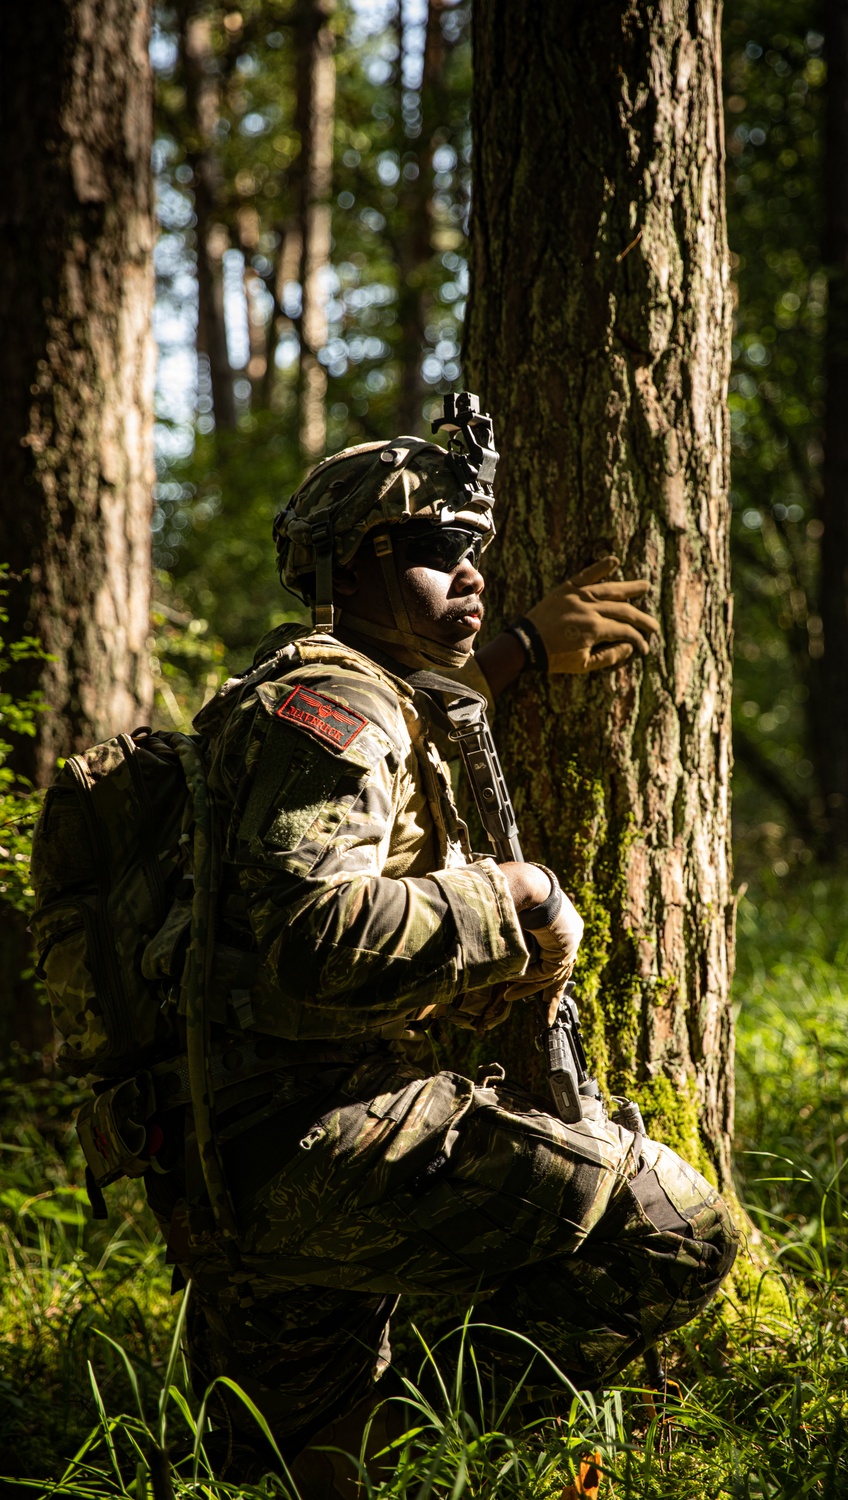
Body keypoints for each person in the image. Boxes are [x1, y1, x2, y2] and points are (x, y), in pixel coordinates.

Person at [144, 399, 737, 1494]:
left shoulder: (318, 690)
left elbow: (416, 735)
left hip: (231, 1153)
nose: (468, 573)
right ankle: (431, 1447)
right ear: (345, 572)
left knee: (294, 1470)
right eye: (430, 548)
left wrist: (516, 650)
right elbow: (310, 936)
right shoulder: (330, 703)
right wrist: (510, 895)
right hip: (322, 1141)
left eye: (475, 549)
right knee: (675, 1226)